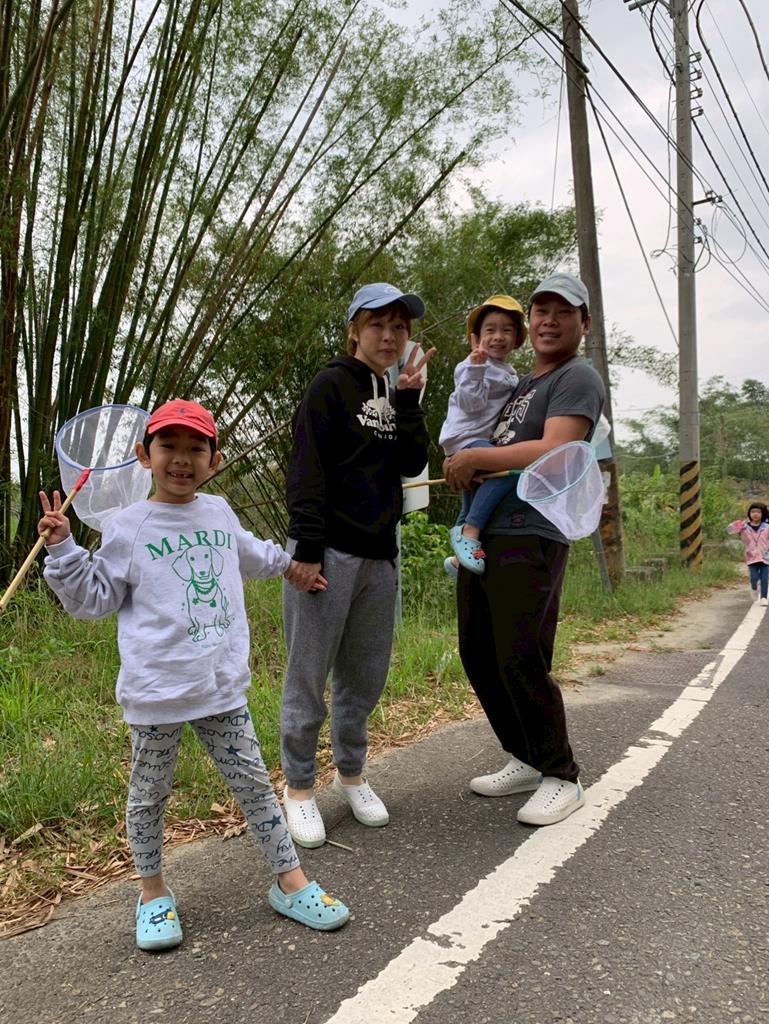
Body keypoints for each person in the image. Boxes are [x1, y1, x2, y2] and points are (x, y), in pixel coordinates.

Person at [38, 399, 350, 952]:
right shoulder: (126, 525)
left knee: (254, 786)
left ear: (214, 460)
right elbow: (93, 599)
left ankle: (290, 880)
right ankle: (153, 893)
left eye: (195, 449)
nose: (181, 459)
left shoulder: (219, 513)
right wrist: (63, 548)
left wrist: (292, 568)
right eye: (169, 446)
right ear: (144, 455)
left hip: (219, 687)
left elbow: (251, 554)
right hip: (156, 693)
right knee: (148, 796)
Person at [444, 273, 605, 827]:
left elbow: (556, 448)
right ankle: (525, 754)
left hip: (532, 530)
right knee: (479, 652)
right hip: (491, 532)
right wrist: (464, 460)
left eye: (564, 312)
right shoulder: (520, 384)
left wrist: (476, 460)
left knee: (520, 653)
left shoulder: (576, 377)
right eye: (541, 311)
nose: (549, 322)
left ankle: (561, 774)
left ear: (585, 323)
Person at [281, 283, 434, 848]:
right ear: (354, 330)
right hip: (328, 554)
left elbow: (413, 463)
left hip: (379, 556)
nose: (390, 336)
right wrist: (306, 549)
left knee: (364, 677)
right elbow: (306, 467)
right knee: (308, 677)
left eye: (399, 327)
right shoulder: (330, 385)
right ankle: (298, 788)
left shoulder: (395, 391)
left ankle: (350, 775)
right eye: (378, 325)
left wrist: (410, 400)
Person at [438, 295, 525, 576]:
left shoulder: (508, 371)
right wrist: (476, 369)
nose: (498, 336)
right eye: (490, 330)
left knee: (474, 491)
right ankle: (471, 531)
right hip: (465, 437)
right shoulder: (469, 366)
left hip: (478, 438)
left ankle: (457, 560)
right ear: (475, 338)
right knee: (505, 470)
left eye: (507, 330)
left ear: (517, 339)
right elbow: (471, 404)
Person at [726, 503, 769, 606]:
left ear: (763, 514)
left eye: (758, 512)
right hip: (751, 556)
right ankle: (754, 588)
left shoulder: (767, 527)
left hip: (765, 556)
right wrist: (739, 524)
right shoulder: (744, 527)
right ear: (749, 513)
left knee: (764, 578)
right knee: (754, 578)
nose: (755, 514)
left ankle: (764, 597)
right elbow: (729, 530)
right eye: (753, 512)